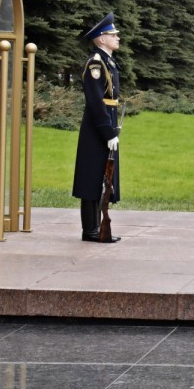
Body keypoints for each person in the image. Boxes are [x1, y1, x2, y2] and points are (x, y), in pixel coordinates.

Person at [72, 13, 122, 243]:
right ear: (101, 39)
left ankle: (95, 228)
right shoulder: (96, 63)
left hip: (105, 123)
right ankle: (90, 230)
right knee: (92, 178)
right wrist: (107, 132)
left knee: (103, 178)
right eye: (112, 34)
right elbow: (95, 102)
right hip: (96, 128)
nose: (117, 37)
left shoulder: (108, 62)